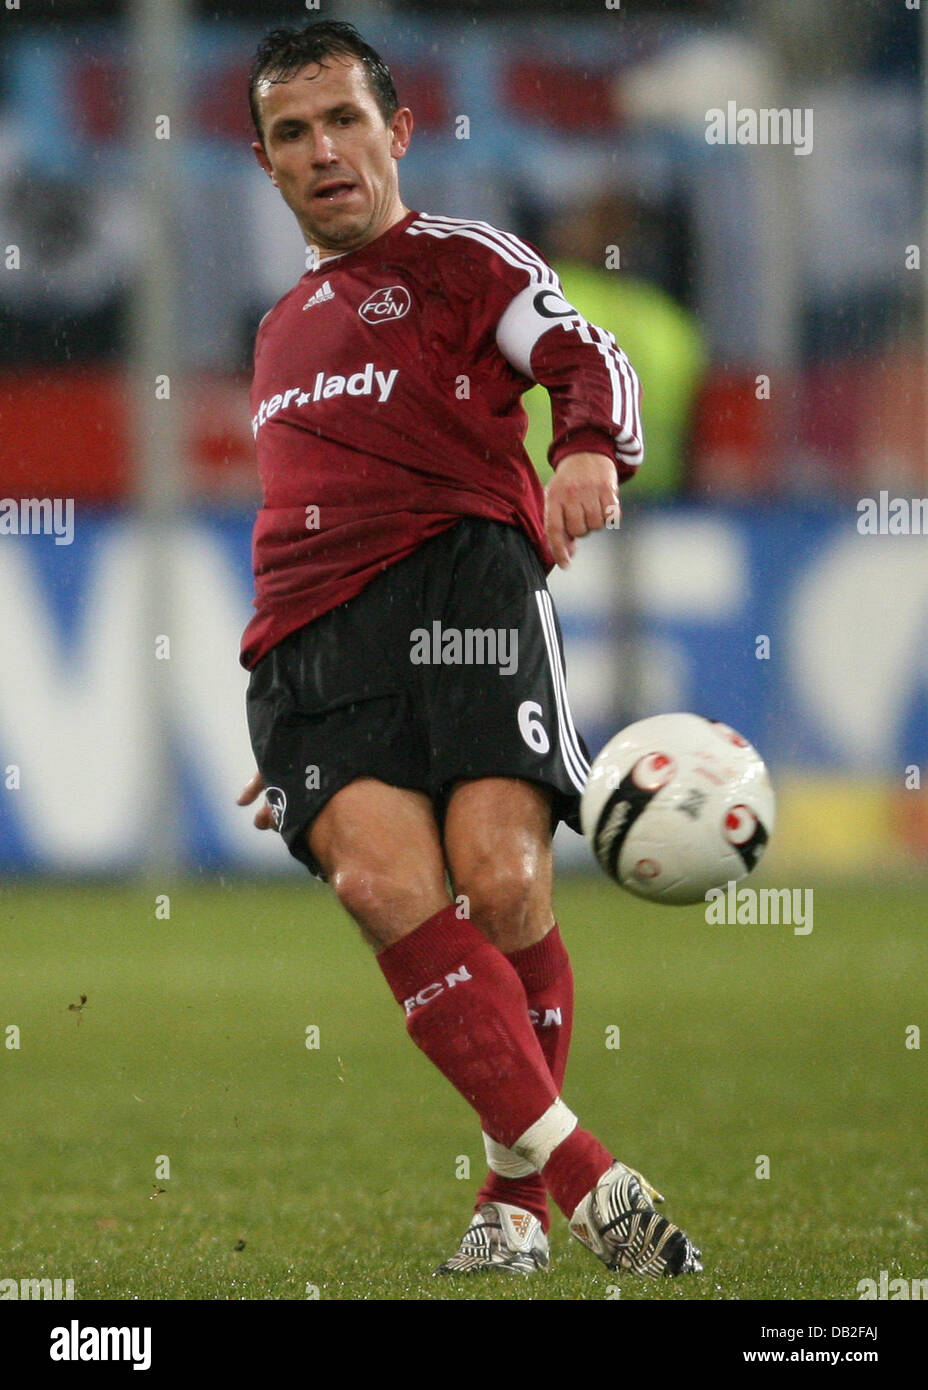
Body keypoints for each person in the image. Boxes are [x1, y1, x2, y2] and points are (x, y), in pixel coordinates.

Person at [236, 20, 701, 1280]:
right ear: (268, 164)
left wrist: (589, 443)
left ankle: (513, 1193)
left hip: (467, 588)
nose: (322, 149)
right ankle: (586, 1178)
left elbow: (578, 350)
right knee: (381, 887)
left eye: (343, 120)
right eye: (292, 132)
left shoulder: (460, 260)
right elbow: (292, 513)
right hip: (313, 648)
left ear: (397, 133)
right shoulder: (278, 329)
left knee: (499, 882)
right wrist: (290, 707)